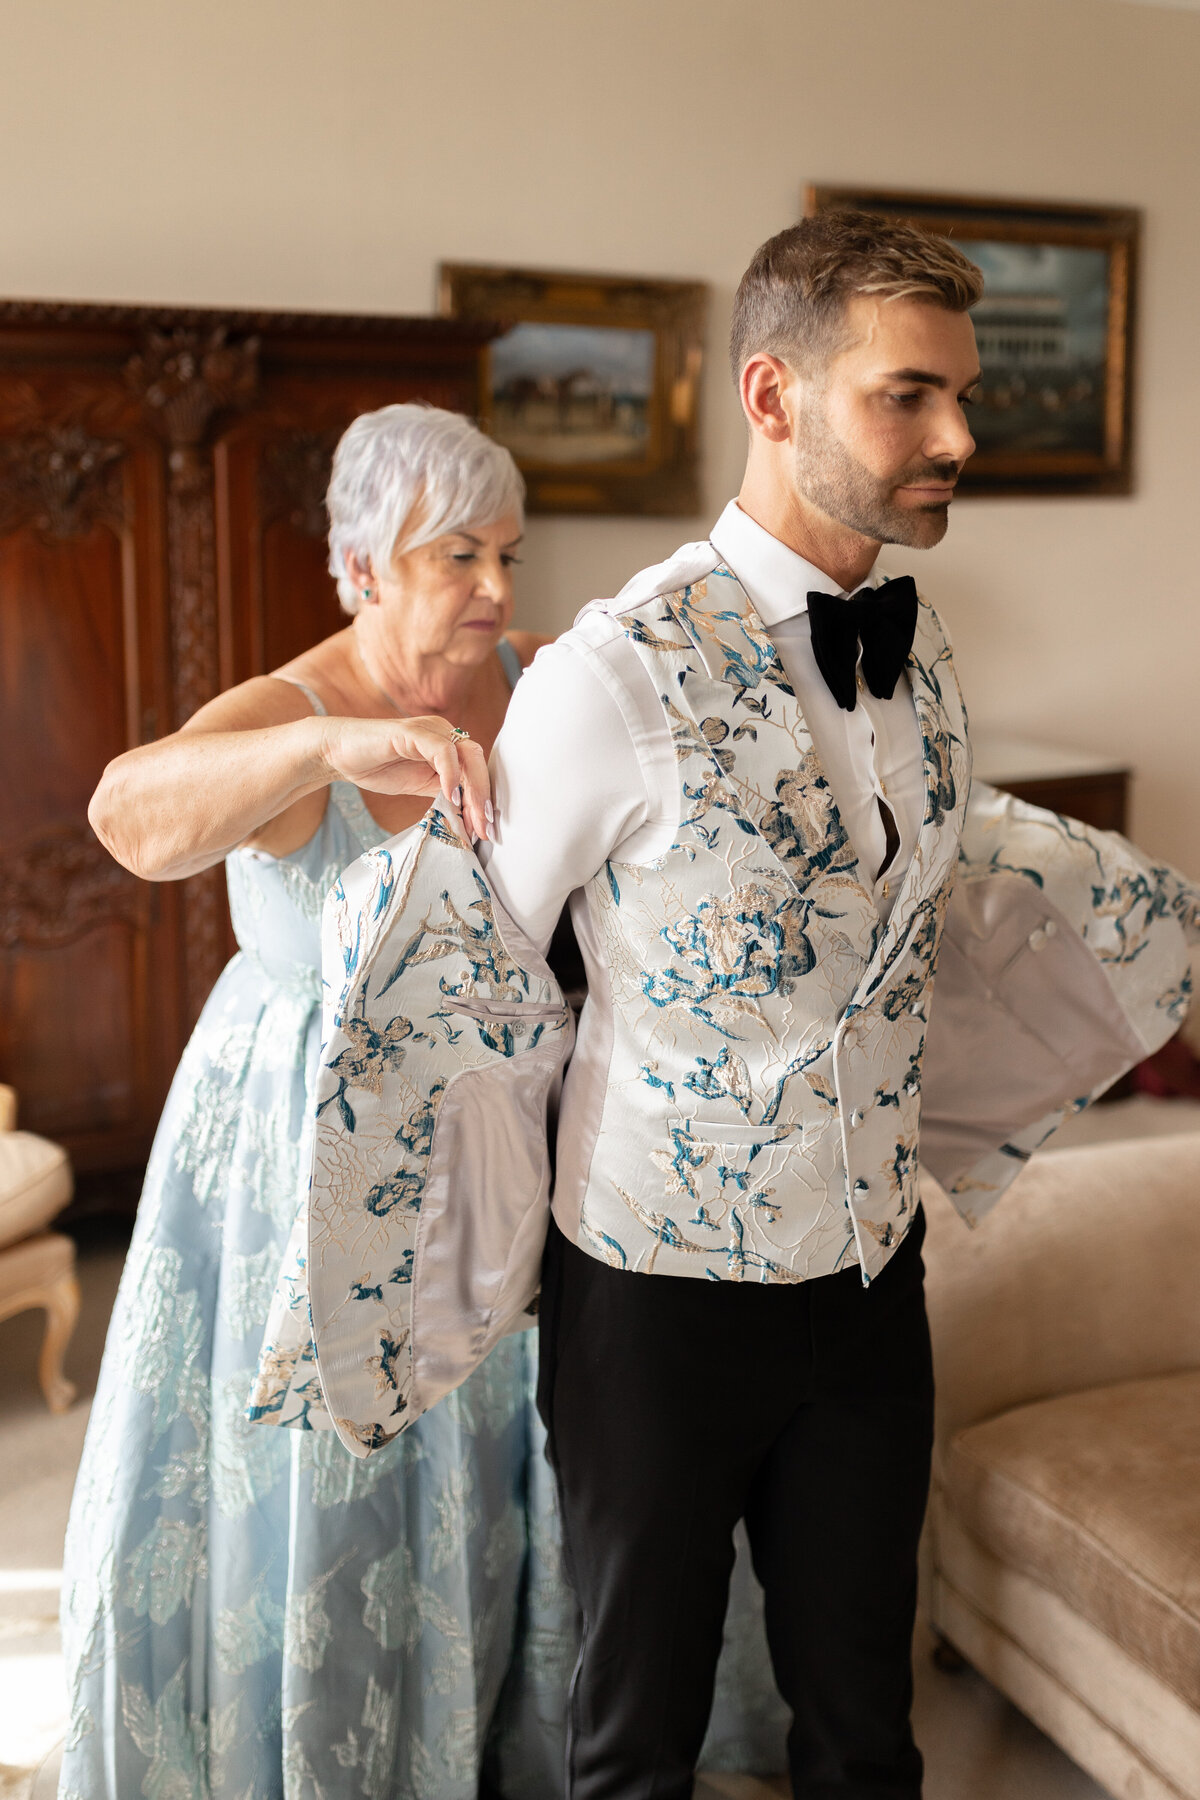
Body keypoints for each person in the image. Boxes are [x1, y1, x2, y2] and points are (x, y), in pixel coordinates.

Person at [282, 216, 1198, 1800]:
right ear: (773, 397)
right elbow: (468, 987)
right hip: (652, 1304)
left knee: (865, 1729)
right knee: (634, 1744)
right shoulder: (609, 675)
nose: (959, 437)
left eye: (962, 396)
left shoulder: (922, 659)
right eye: (906, 396)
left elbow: (947, 880)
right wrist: (420, 1272)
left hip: (867, 1287)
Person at [59, 405, 550, 1800]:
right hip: (299, 1143)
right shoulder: (291, 707)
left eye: (506, 551)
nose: (498, 590)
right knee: (316, 1479)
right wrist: (335, 746)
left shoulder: (515, 670)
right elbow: (126, 811)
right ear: (358, 569)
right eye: (457, 556)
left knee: (482, 1458)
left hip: (483, 1136)